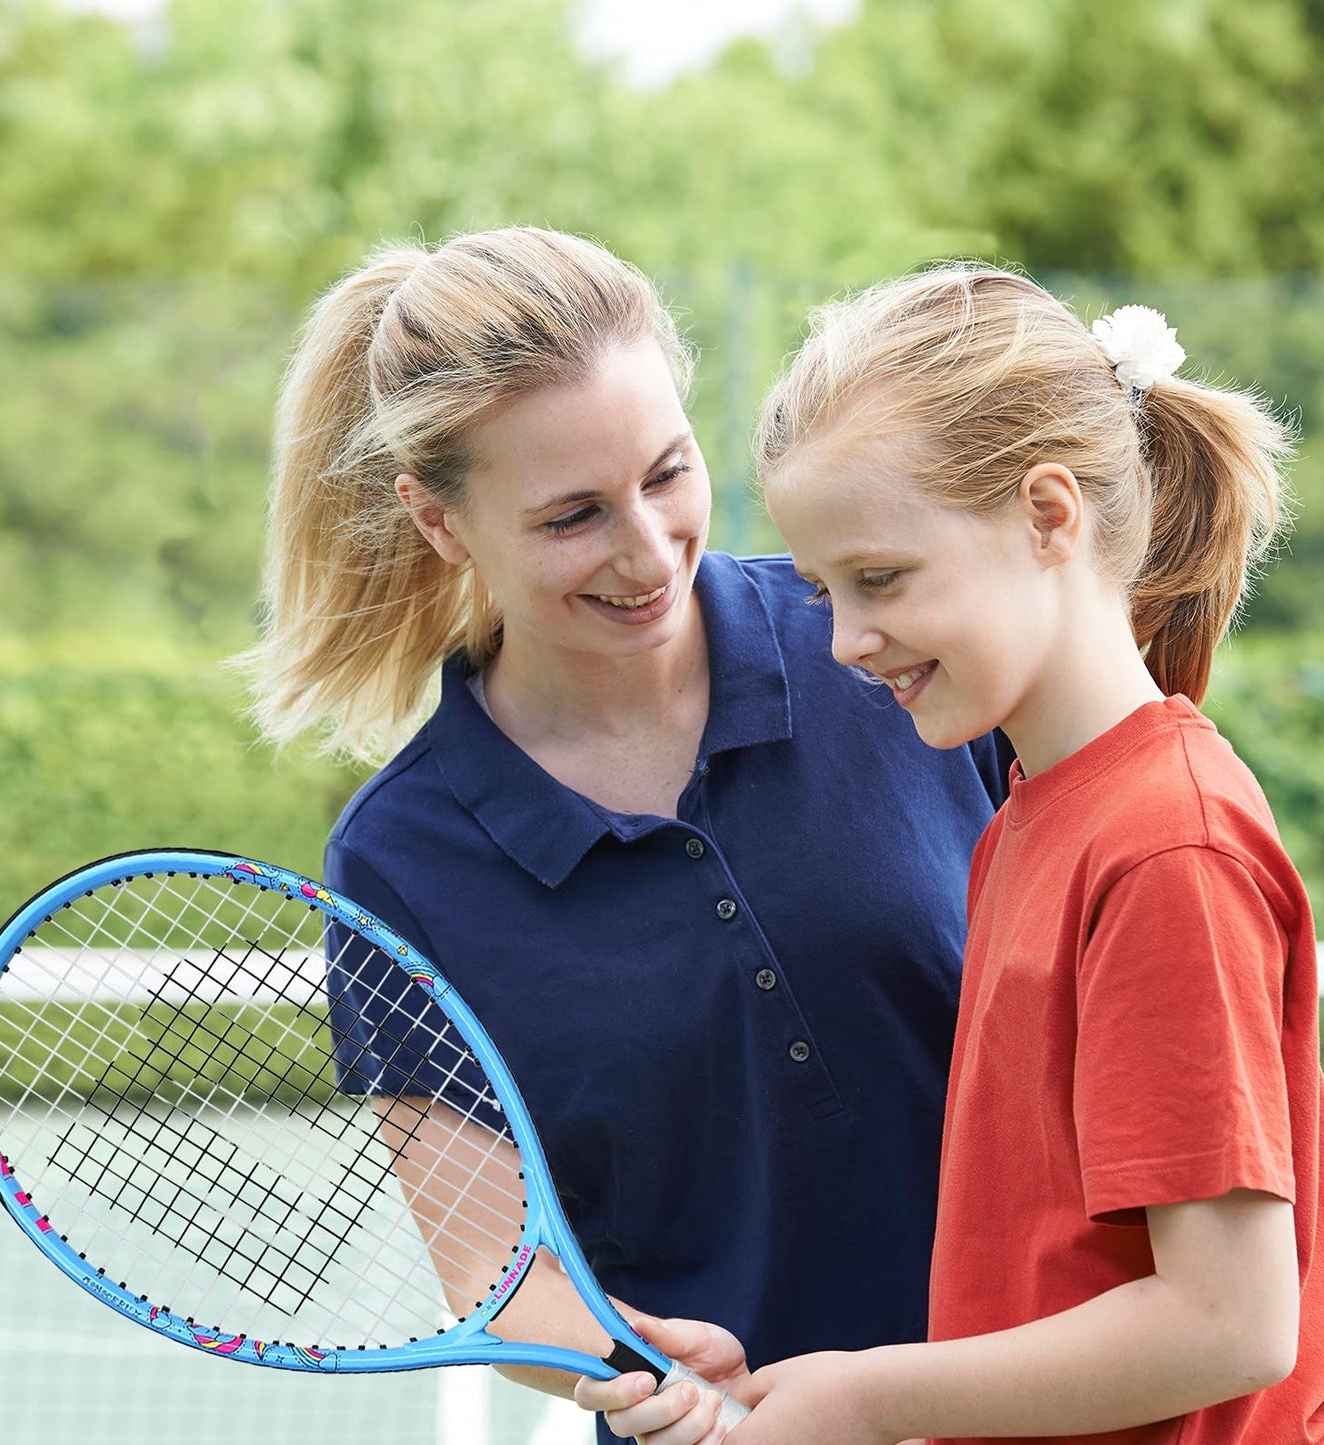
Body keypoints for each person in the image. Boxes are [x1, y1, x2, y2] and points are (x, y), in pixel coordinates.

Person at [242, 228, 1011, 1440]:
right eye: (571, 516)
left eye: (665, 473)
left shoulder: (884, 650)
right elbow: (500, 1268)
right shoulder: (400, 861)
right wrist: (645, 1363)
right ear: (439, 522)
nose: (646, 550)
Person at [580, 263, 1323, 1445]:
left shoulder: (1163, 846)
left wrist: (872, 1395)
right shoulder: (1030, 811)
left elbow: (1231, 1321)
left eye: (877, 579)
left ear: (1046, 514)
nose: (844, 640)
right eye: (823, 589)